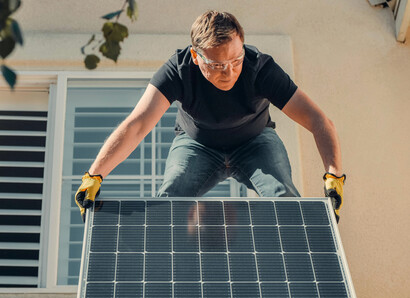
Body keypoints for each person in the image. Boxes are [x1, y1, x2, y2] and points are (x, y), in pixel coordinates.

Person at [75, 10, 346, 223]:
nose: (228, 72)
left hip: (255, 142)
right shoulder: (179, 70)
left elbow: (318, 120)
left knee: (284, 198)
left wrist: (333, 176)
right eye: (216, 65)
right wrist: (95, 176)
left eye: (236, 61)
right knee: (169, 201)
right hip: (196, 145)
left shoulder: (261, 68)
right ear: (196, 56)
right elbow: (137, 125)